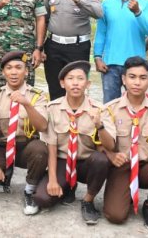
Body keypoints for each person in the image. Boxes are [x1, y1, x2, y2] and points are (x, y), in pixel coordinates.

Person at [33, 61, 114, 224]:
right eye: (70, 78)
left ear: (88, 84)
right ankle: (67, 186)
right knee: (42, 199)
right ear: (63, 83)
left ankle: (88, 200)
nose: (75, 83)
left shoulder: (99, 109)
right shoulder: (53, 108)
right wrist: (53, 180)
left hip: (86, 163)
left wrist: (99, 125)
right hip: (63, 161)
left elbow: (110, 145)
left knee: (101, 159)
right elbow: (52, 147)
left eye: (80, 78)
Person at [101, 56, 148, 231]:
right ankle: (124, 193)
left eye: (143, 78)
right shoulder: (110, 109)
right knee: (116, 216)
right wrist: (111, 154)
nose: (137, 82)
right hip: (121, 166)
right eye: (132, 77)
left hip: (146, 166)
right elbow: (109, 144)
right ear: (123, 79)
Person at [0, 51, 48, 215]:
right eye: (9, 68)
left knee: (40, 150)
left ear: (26, 71)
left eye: (18, 67)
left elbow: (42, 127)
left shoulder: (38, 96)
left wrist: (27, 105)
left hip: (26, 146)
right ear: (3, 72)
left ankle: (30, 189)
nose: (14, 72)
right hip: (3, 146)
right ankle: (3, 176)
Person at [42, 0, 102, 99]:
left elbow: (98, 13)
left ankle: (77, 122)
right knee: (55, 90)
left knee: (77, 91)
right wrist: (40, 47)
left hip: (78, 47)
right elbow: (44, 18)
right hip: (53, 46)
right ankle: (57, 121)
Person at [94, 0, 148, 103]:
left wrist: (138, 12)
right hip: (110, 64)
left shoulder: (146, 4)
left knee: (136, 104)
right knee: (110, 105)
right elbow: (101, 32)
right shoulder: (107, 3)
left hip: (136, 65)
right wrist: (97, 57)